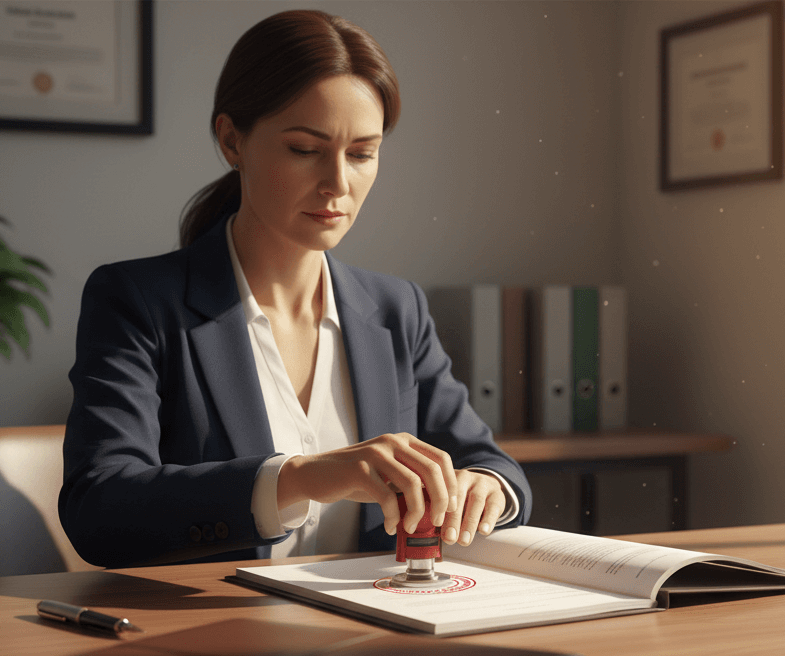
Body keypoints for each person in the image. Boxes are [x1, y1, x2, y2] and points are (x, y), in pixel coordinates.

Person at [59, 9, 530, 569]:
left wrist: (486, 488)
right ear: (232, 140)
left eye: (361, 153)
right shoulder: (137, 300)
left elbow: (491, 464)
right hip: (215, 637)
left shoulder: (395, 309)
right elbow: (100, 509)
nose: (337, 183)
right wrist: (302, 478)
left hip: (380, 636)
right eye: (305, 149)